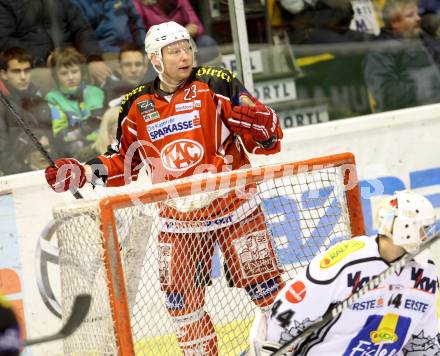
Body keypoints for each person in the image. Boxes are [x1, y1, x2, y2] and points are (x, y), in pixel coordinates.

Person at [45, 21, 284, 355]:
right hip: (179, 221)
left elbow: (267, 143)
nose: (184, 55)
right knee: (181, 306)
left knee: (268, 292)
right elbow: (122, 164)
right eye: (174, 51)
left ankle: (290, 348)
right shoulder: (134, 104)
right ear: (155, 59)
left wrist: (265, 127)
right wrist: (83, 172)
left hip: (235, 208)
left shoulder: (217, 82)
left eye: (187, 47)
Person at [250, 190, 439, 355]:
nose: (426, 236)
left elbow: (424, 340)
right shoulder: (348, 261)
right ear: (404, 228)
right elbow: (290, 311)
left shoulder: (427, 273)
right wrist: (270, 347)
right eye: (423, 228)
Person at [0, 0, 112, 84]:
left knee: (105, 73)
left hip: (67, 59)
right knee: (47, 80)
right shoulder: (6, 3)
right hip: (33, 64)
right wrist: (44, 56)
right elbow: (4, 39)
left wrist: (93, 58)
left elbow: (82, 29)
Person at [363, 0, 440, 112]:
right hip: (410, 117)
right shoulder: (379, 51)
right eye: (410, 15)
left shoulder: (422, 37)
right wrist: (427, 83)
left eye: (417, 13)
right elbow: (386, 95)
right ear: (394, 23)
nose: (418, 18)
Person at [45, 47, 105, 161]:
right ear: (55, 76)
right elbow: (60, 136)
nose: (71, 77)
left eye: (74, 71)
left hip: (103, 149)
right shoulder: (52, 98)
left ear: (81, 71)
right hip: (75, 154)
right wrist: (85, 128)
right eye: (64, 73)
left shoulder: (97, 92)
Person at [0, 48, 52, 175]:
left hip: (47, 170)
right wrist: (28, 172)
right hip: (20, 175)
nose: (23, 77)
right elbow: (2, 154)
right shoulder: (2, 105)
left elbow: (53, 140)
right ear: (4, 74)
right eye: (16, 72)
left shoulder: (40, 100)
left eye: (27, 71)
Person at [132, 0, 220, 63]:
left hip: (184, 41)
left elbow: (198, 26)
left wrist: (192, 29)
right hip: (159, 45)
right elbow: (140, 32)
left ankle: (206, 77)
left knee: (207, 42)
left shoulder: (181, 1)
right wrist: (176, 34)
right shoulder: (140, 3)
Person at [70, 0, 146, 54]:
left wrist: (143, 47)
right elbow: (83, 36)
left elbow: (136, 23)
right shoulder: (77, 3)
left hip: (131, 52)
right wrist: (96, 57)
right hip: (105, 56)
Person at [102, 43, 155, 107]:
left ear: (145, 68)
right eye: (127, 65)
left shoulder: (158, 90)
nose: (133, 70)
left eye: (138, 64)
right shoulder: (108, 94)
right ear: (119, 68)